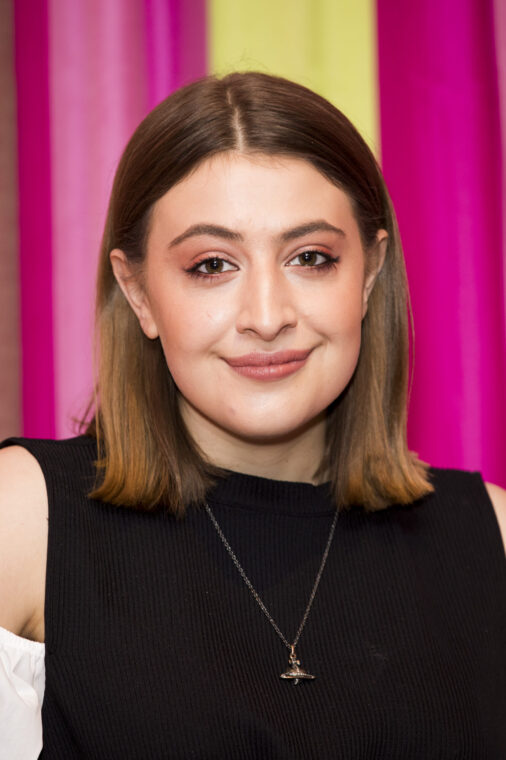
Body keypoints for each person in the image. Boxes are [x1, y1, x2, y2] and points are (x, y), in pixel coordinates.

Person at [0, 71, 505, 760]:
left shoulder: (492, 539)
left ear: (369, 275)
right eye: (211, 265)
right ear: (139, 292)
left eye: (311, 258)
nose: (267, 317)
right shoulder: (24, 517)